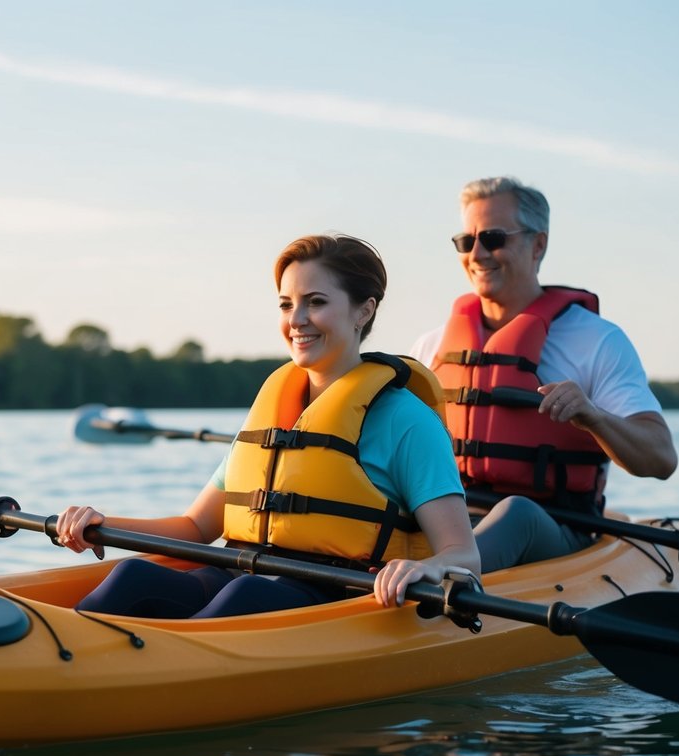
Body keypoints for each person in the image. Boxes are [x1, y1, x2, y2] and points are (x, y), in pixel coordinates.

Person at [55, 233, 480, 617]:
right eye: (286, 304)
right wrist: (103, 526)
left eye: (316, 302)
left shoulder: (407, 420)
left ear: (363, 310)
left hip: (337, 592)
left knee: (245, 599)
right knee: (134, 577)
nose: (296, 319)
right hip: (241, 574)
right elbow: (197, 528)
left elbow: (462, 553)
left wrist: (423, 568)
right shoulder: (275, 409)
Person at [410, 176, 677, 572]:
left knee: (517, 513)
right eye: (466, 242)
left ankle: (438, 581)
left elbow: (661, 459)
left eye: (494, 238)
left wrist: (594, 417)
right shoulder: (432, 348)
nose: (478, 253)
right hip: (453, 524)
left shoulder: (596, 341)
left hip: (554, 529)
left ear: (538, 245)